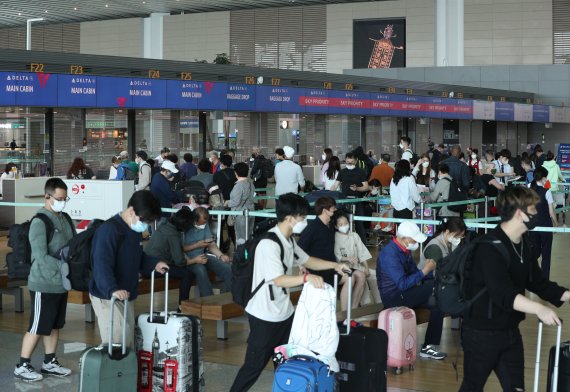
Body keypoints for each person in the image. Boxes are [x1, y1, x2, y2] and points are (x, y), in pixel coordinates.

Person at [229, 193, 349, 392]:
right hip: (264, 315)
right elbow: (277, 279)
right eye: (302, 217)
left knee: (286, 361)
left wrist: (335, 265)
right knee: (254, 366)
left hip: (284, 313)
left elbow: (307, 260)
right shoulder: (269, 244)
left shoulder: (288, 240)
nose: (305, 221)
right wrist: (305, 278)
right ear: (291, 218)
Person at [459, 186, 570, 391]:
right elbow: (503, 294)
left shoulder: (524, 244)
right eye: (534, 209)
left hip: (509, 332)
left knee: (516, 388)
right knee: (472, 387)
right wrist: (539, 309)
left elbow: (538, 283)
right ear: (520, 213)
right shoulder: (488, 248)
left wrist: (568, 295)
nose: (537, 214)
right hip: (481, 333)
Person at [14, 178, 76, 382]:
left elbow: (73, 245)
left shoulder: (65, 218)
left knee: (54, 324)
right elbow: (39, 256)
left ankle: (50, 361)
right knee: (38, 325)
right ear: (47, 197)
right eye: (59, 198)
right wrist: (63, 266)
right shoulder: (39, 222)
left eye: (65, 198)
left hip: (61, 283)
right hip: (43, 283)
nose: (63, 201)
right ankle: (22, 365)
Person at [89, 191, 169, 348]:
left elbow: (137, 256)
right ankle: (112, 373)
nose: (145, 226)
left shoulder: (132, 231)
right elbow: (101, 264)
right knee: (117, 343)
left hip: (125, 294)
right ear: (132, 211)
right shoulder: (109, 231)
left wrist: (154, 263)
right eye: (145, 221)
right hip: (109, 296)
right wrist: (112, 289)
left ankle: (124, 373)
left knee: (127, 341)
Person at [377, 221, 447, 361]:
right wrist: (424, 271)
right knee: (434, 287)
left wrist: (428, 271)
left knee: (438, 303)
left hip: (407, 294)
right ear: (404, 239)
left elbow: (414, 273)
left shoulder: (405, 250)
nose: (415, 243)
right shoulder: (390, 254)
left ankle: (429, 346)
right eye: (414, 240)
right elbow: (402, 284)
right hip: (394, 297)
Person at [144, 208, 196, 305]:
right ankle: (183, 306)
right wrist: (194, 260)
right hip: (153, 268)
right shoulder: (173, 234)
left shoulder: (164, 225)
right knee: (188, 274)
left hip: (146, 263)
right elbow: (179, 262)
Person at [183, 207, 232, 297]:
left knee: (227, 268)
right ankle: (209, 300)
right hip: (189, 259)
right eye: (201, 223)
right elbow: (180, 248)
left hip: (203, 256)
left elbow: (211, 244)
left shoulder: (205, 225)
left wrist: (221, 255)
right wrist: (196, 245)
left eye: (205, 223)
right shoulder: (185, 226)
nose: (203, 225)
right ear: (194, 219)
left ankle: (233, 297)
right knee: (201, 271)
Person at [333, 212, 371, 311]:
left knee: (366, 275)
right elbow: (337, 255)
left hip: (356, 266)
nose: (344, 226)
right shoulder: (335, 237)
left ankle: (354, 308)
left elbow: (362, 251)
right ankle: (346, 310)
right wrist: (347, 259)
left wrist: (366, 268)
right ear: (336, 226)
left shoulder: (354, 235)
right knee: (355, 277)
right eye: (341, 224)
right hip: (343, 267)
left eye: (345, 223)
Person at [298, 197, 338, 286]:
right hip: (318, 270)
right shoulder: (312, 227)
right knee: (353, 277)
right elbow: (299, 249)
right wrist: (302, 266)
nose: (335, 210)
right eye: (333, 208)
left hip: (331, 266)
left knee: (360, 276)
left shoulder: (330, 225)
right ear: (324, 210)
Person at [330, 152, 369, 242]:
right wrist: (329, 192)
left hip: (357, 201)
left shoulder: (361, 172)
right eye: (347, 162)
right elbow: (335, 185)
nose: (349, 164)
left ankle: (362, 245)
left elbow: (366, 187)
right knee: (342, 222)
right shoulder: (342, 172)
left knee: (359, 224)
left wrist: (357, 188)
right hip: (344, 201)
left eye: (351, 163)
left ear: (356, 161)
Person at [529, 167, 558, 279]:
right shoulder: (547, 192)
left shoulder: (528, 189)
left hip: (532, 227)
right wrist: (556, 224)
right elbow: (551, 212)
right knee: (546, 254)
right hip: (546, 226)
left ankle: (531, 276)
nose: (546, 179)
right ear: (542, 177)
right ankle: (544, 279)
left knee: (533, 253)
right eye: (546, 177)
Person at [229, 162, 255, 245]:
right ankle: (248, 254)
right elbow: (254, 198)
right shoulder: (251, 184)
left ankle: (242, 255)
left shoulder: (238, 186)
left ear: (236, 173)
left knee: (241, 237)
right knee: (249, 235)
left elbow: (235, 202)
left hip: (241, 214)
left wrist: (227, 203)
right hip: (251, 212)